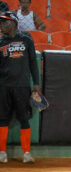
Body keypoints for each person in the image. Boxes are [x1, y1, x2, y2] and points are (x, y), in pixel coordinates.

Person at [0, 11, 40, 163]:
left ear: (14, 23)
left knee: (24, 118)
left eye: (5, 22)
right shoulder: (0, 43)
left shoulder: (27, 40)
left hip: (22, 86)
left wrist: (36, 83)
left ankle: (27, 153)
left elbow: (32, 63)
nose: (2, 25)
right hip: (3, 87)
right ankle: (2, 152)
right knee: (2, 118)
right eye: (1, 22)